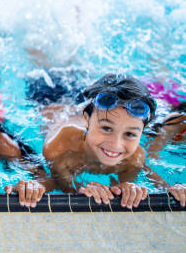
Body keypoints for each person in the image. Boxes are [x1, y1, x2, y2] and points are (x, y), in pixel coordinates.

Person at [41, 74, 173, 209]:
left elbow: (121, 194)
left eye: (130, 134)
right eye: (106, 128)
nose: (115, 144)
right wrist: (83, 191)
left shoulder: (134, 158)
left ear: (141, 133)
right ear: (86, 119)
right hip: (51, 94)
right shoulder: (59, 147)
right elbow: (64, 189)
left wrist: (127, 190)